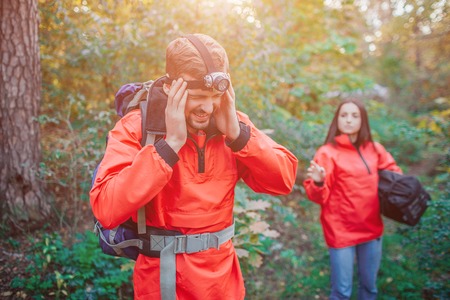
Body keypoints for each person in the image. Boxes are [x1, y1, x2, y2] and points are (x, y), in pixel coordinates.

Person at [90, 33, 298, 300]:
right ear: (169, 88)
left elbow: (284, 180)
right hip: (163, 282)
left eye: (214, 96)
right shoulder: (138, 128)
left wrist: (239, 135)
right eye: (198, 96)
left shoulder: (230, 124)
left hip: (224, 283)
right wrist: (168, 146)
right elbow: (106, 208)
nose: (208, 107)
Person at [303, 98, 402, 300]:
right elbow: (316, 196)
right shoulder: (327, 153)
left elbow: (395, 176)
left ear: (362, 120)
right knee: (342, 292)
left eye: (355, 115)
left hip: (372, 228)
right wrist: (319, 182)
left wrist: (401, 187)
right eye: (344, 115)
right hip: (341, 231)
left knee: (369, 288)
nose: (349, 120)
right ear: (337, 119)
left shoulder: (375, 149)